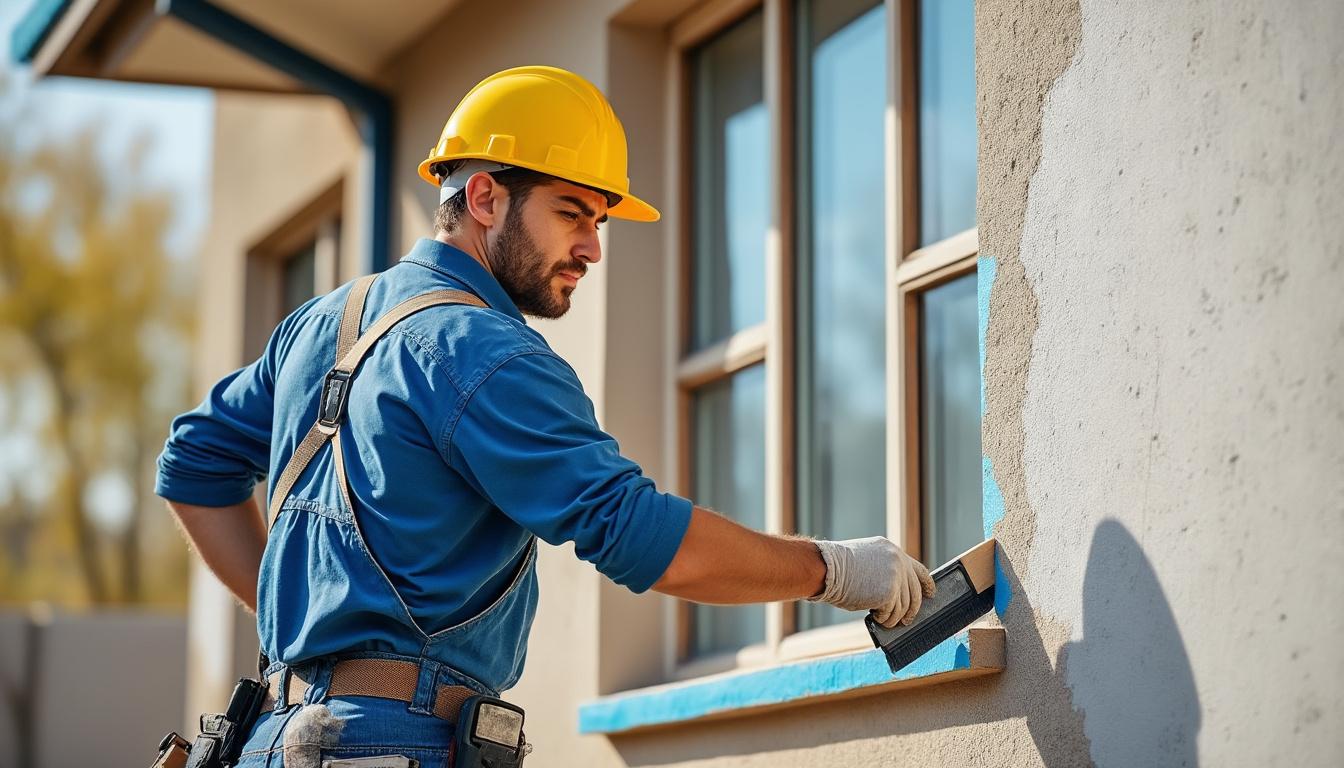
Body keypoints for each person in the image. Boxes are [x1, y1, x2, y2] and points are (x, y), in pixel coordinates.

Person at [156, 65, 933, 767]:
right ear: (486, 196)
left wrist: (304, 630)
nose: (593, 246)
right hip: (389, 745)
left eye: (600, 220)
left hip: (270, 741)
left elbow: (193, 463)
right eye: (572, 213)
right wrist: (834, 571)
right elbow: (635, 533)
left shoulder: (325, 321)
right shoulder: (488, 353)